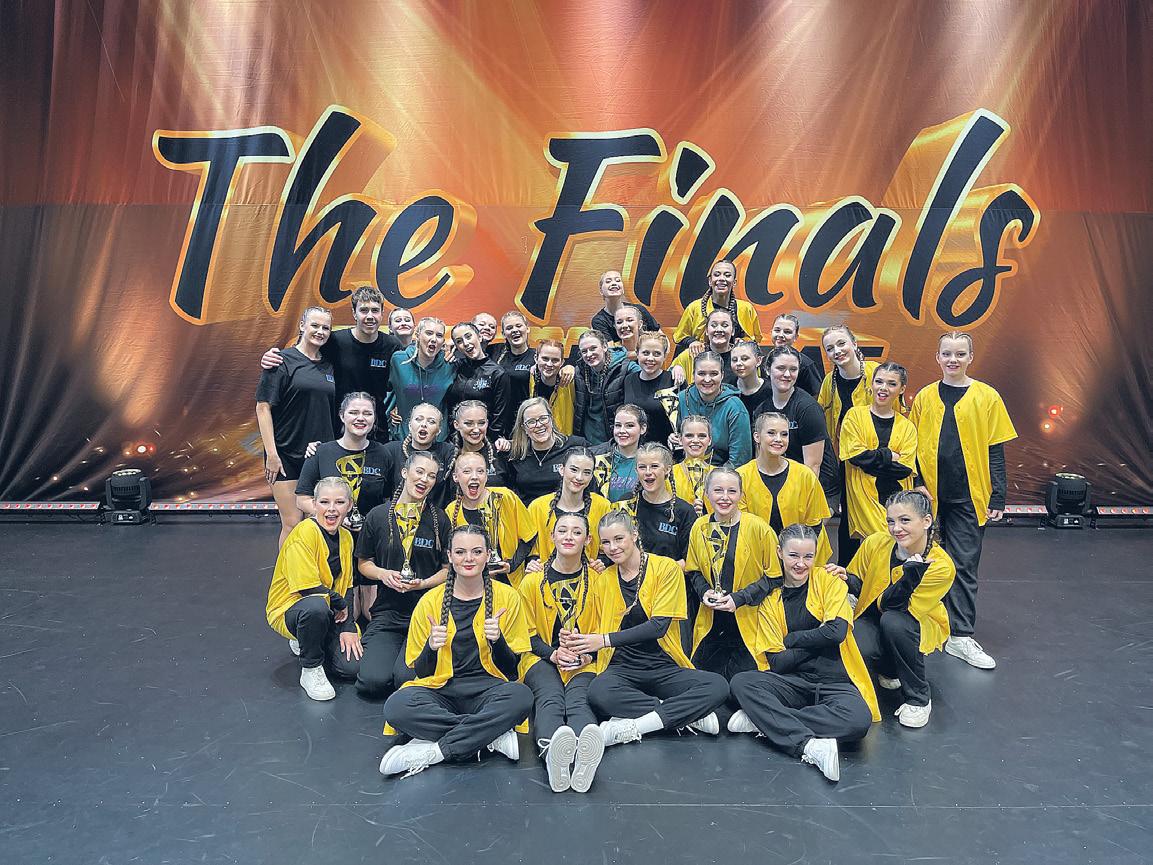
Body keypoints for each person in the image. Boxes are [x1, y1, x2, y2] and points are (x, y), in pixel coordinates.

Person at [379, 525, 533, 777]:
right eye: (460, 552)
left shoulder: (508, 598)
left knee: (521, 696)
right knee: (397, 706)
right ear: (450, 556)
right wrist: (430, 647)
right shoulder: (429, 601)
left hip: (488, 690)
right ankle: (490, 736)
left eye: (477, 552)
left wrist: (498, 641)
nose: (468, 559)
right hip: (442, 691)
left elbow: (511, 671)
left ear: (488, 555)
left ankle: (436, 750)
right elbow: (421, 673)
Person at [727, 524, 879, 781]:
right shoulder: (771, 599)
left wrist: (793, 639)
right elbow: (778, 662)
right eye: (793, 555)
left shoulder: (829, 581)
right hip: (792, 682)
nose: (801, 563)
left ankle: (763, 720)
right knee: (742, 682)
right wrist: (820, 637)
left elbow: (837, 633)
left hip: (835, 682)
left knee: (858, 721)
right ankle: (808, 745)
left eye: (808, 556)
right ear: (780, 553)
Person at [567, 511, 730, 748]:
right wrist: (579, 646)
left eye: (619, 539)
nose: (613, 547)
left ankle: (634, 727)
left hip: (663, 666)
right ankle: (686, 715)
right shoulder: (604, 580)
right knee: (598, 693)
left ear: (634, 535)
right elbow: (594, 630)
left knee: (718, 686)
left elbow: (658, 626)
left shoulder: (666, 568)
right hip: (622, 668)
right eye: (606, 542)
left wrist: (604, 640)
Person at [909, 331, 1016, 670]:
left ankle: (960, 635)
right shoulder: (925, 397)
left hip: (969, 496)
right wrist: (918, 484)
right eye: (946, 353)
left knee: (965, 564)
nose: (952, 359)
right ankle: (923, 627)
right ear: (937, 357)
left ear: (971, 357)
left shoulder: (987, 397)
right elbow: (912, 446)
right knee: (922, 561)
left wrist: (998, 494)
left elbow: (995, 450)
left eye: (959, 354)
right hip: (930, 497)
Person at [832, 490, 956, 728]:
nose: (896, 528)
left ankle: (919, 697)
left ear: (926, 521)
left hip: (911, 623)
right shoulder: (875, 543)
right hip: (875, 616)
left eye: (905, 520)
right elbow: (860, 584)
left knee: (893, 622)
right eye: (891, 521)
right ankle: (889, 669)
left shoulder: (941, 566)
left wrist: (910, 576)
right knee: (853, 639)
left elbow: (895, 606)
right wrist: (845, 577)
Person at [517, 514, 606, 793]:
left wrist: (588, 656)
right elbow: (525, 634)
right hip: (540, 658)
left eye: (577, 532)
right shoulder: (531, 582)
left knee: (580, 700)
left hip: (585, 660)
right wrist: (553, 654)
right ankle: (552, 753)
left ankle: (584, 757)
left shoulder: (600, 581)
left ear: (588, 540)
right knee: (550, 697)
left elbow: (606, 629)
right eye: (563, 530)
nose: (569, 536)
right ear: (552, 537)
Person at [354, 452, 451, 697]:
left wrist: (423, 583)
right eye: (420, 472)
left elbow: (448, 570)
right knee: (372, 682)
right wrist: (383, 574)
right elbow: (364, 563)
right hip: (388, 613)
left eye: (431, 476)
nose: (424, 479)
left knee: (405, 680)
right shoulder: (378, 516)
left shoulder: (439, 519)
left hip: (425, 614)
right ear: (405, 472)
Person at [260, 287, 403, 442]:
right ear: (354, 313)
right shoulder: (334, 341)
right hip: (337, 433)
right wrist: (275, 357)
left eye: (375, 310)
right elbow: (305, 354)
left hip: (377, 431)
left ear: (382, 313)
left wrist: (398, 406)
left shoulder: (392, 345)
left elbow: (404, 377)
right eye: (363, 310)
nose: (370, 316)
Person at [296, 392, 390, 618]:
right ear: (342, 416)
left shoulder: (384, 453)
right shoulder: (321, 452)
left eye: (367, 413)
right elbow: (302, 499)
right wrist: (335, 515)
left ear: (374, 418)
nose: (361, 418)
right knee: (348, 613)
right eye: (354, 412)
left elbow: (389, 499)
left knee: (370, 613)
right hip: (334, 539)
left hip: (369, 541)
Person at [265, 476, 360, 700]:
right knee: (315, 607)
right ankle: (311, 668)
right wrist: (340, 603)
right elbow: (308, 588)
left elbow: (347, 585)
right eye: (325, 502)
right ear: (314, 504)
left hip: (330, 609)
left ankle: (310, 638)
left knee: (352, 668)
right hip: (294, 608)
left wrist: (348, 626)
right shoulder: (303, 533)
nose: (332, 509)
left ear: (349, 506)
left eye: (339, 502)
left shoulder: (346, 537)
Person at [685, 467, 781, 679]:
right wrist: (704, 592)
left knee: (743, 682)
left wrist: (740, 598)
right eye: (718, 490)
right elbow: (693, 571)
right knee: (705, 681)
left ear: (741, 494)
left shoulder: (759, 528)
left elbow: (775, 577)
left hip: (749, 620)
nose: (725, 497)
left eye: (732, 491)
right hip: (712, 622)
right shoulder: (699, 527)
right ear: (707, 493)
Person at [256, 306, 337, 546]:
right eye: (315, 325)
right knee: (292, 523)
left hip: (320, 455)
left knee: (317, 522)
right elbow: (263, 408)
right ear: (302, 326)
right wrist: (272, 454)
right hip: (285, 455)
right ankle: (286, 571)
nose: (320, 331)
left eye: (325, 328)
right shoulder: (280, 361)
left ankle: (311, 569)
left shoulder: (331, 365)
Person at [818, 325, 879, 563]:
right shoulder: (829, 382)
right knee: (848, 524)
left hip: (879, 463)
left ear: (854, 343)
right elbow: (825, 424)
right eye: (830, 348)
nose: (837, 351)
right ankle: (849, 576)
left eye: (842, 343)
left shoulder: (875, 373)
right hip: (846, 464)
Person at [737, 412, 833, 564]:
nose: (778, 439)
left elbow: (814, 526)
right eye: (771, 433)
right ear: (757, 437)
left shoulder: (805, 475)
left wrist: (797, 561)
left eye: (784, 434)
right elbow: (742, 529)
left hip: (802, 561)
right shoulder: (740, 477)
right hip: (757, 559)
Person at [840, 363, 917, 544]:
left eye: (892, 384)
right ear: (872, 383)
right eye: (879, 381)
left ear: (902, 389)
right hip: (863, 506)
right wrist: (889, 456)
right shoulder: (854, 416)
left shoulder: (907, 427)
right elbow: (855, 457)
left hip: (897, 510)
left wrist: (869, 461)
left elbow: (904, 470)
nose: (883, 388)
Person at [448, 450, 534, 588]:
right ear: (455, 477)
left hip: (511, 584)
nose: (474, 477)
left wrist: (511, 565)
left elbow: (530, 537)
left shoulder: (506, 497)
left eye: (480, 471)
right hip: (473, 587)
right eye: (467, 471)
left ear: (487, 476)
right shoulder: (451, 511)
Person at [762, 347, 836, 499]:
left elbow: (813, 467)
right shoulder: (762, 409)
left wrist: (798, 503)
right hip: (784, 485)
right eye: (781, 368)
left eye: (793, 369)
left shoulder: (808, 408)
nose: (787, 374)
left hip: (818, 488)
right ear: (768, 370)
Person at [526, 448, 613, 568]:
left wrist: (601, 562)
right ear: (562, 470)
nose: (579, 477)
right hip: (545, 576)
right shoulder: (538, 507)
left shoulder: (603, 506)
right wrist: (532, 563)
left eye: (587, 472)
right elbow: (530, 550)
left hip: (590, 576)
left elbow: (609, 547)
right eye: (574, 470)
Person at [619, 443, 698, 568]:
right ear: (636, 470)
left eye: (654, 466)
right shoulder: (626, 503)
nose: (648, 472)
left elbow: (690, 561)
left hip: (668, 578)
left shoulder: (684, 511)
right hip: (629, 577)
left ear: (667, 469)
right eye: (642, 467)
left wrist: (656, 573)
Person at [676, 352, 752, 466]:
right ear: (693, 374)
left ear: (722, 375)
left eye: (713, 374)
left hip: (722, 472)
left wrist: (716, 475)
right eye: (701, 373)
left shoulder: (735, 407)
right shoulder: (680, 399)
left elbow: (739, 459)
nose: (707, 379)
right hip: (683, 470)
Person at [504, 398, 588, 501]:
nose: (539, 425)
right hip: (528, 509)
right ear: (524, 428)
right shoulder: (516, 454)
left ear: (551, 418)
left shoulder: (576, 446)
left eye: (543, 418)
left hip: (565, 509)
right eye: (531, 422)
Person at [672, 259, 762, 352]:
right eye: (717, 274)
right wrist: (692, 342)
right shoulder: (694, 308)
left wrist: (743, 341)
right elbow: (680, 336)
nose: (722, 278)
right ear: (710, 281)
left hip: (735, 359)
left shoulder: (746, 309)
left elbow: (755, 339)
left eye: (727, 275)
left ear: (734, 282)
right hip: (703, 358)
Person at [379, 403, 457, 507]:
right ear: (410, 425)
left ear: (439, 430)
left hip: (435, 514)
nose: (424, 424)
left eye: (431, 422)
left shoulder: (448, 451)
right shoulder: (391, 450)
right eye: (418, 419)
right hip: (397, 512)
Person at [389, 317, 454, 440]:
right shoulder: (398, 360)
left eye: (439, 335)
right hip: (404, 437)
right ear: (418, 335)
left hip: (438, 439)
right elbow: (386, 392)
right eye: (429, 333)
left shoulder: (450, 364)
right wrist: (390, 413)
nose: (433, 339)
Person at [446, 322, 510, 440]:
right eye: (459, 341)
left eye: (468, 336)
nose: (466, 343)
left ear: (479, 337)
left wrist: (488, 442)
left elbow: (500, 417)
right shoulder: (455, 367)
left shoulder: (497, 373)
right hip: (454, 439)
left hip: (483, 440)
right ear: (457, 347)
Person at [573, 330, 636, 446]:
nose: (589, 354)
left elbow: (648, 376)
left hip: (614, 439)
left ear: (605, 347)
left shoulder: (625, 368)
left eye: (593, 348)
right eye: (584, 351)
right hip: (586, 440)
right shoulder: (579, 371)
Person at [622, 331, 682, 447]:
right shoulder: (628, 380)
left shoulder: (674, 380)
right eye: (645, 353)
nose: (650, 358)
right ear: (637, 354)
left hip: (666, 449)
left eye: (657, 354)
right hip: (635, 450)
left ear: (665, 356)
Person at [590, 405, 647, 503]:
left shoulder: (650, 460)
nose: (622, 431)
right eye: (618, 425)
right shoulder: (593, 456)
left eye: (629, 425)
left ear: (642, 428)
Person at [448, 400, 508, 488]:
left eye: (481, 423)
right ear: (456, 425)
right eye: (469, 424)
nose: (476, 430)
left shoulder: (500, 451)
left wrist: (509, 443)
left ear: (487, 423)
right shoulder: (448, 455)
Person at [671, 308, 737, 384]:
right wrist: (676, 368)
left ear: (733, 331)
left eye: (725, 325)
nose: (719, 329)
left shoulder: (740, 356)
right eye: (714, 325)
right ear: (706, 331)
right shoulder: (694, 353)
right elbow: (668, 374)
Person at [590, 270, 661, 340]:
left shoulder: (640, 310)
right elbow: (609, 346)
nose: (614, 283)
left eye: (618, 280)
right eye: (608, 281)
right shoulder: (599, 320)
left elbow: (661, 337)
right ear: (601, 290)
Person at [527, 339, 576, 436]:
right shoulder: (529, 378)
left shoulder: (570, 381)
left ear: (562, 362)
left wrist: (572, 368)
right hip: (537, 438)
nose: (549, 364)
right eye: (545, 359)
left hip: (564, 440)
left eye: (555, 360)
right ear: (536, 358)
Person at [768, 313, 822, 396]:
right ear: (771, 332)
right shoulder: (765, 361)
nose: (781, 335)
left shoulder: (806, 364)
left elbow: (816, 394)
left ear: (796, 336)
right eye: (777, 330)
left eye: (787, 332)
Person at [491, 311, 536, 409]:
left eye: (518, 326)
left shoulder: (537, 357)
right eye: (509, 328)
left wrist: (568, 368)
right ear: (503, 334)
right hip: (501, 415)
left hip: (528, 414)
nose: (515, 330)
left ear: (527, 328)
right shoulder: (497, 357)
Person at [670, 415, 714, 515]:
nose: (695, 440)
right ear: (680, 439)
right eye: (689, 436)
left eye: (702, 436)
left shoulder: (718, 475)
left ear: (709, 440)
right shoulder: (669, 474)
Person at [730, 340, 773, 421]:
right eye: (734, 360)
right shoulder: (728, 390)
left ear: (758, 360)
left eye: (744, 359)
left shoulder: (771, 390)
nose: (738, 363)